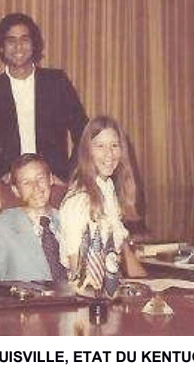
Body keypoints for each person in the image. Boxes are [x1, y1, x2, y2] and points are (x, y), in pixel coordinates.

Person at [0, 13, 88, 220]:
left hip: (52, 187)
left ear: (34, 44)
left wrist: (67, 176)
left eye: (24, 39)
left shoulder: (56, 82)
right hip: (8, 189)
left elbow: (84, 133)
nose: (18, 46)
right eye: (11, 40)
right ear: (1, 48)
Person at [59, 115, 146, 297]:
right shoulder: (79, 201)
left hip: (111, 290)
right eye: (100, 146)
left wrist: (148, 290)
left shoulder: (107, 188)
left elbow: (122, 250)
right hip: (88, 300)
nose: (109, 154)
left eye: (114, 145)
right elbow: (80, 276)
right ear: (87, 151)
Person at [0, 154, 66, 284]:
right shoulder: (1, 227)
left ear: (50, 180)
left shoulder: (68, 220)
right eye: (26, 183)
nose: (36, 187)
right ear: (16, 190)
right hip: (24, 296)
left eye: (40, 178)